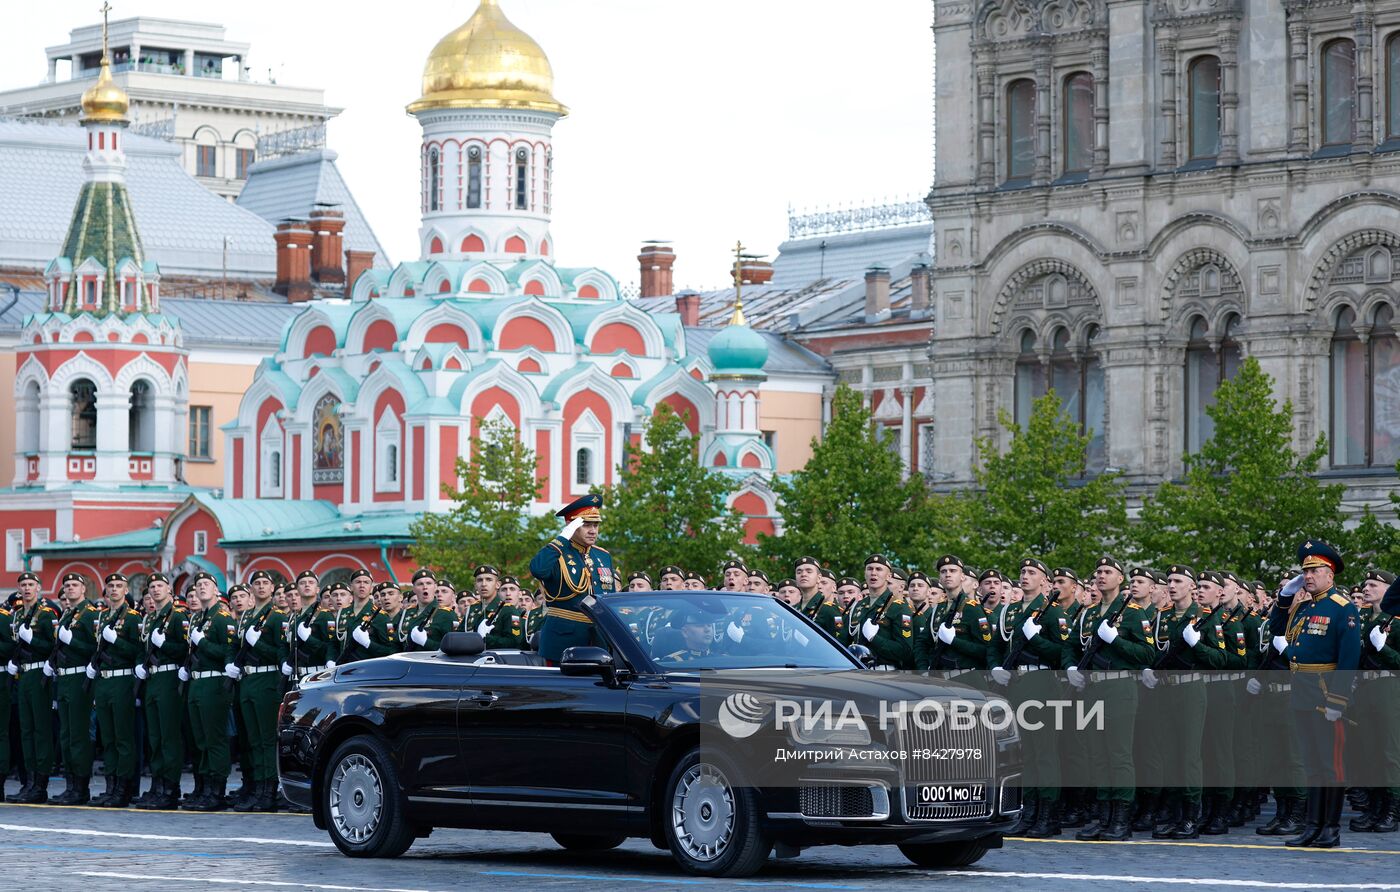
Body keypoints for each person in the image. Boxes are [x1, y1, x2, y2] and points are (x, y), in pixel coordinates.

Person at [1274, 539, 1361, 849]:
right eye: (1305, 571)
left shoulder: (1342, 607)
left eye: (1314, 570)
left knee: (1331, 764)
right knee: (1311, 764)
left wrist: (1338, 700)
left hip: (1326, 698)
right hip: (1302, 693)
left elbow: (1350, 658)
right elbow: (1277, 629)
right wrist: (1285, 597)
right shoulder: (1305, 606)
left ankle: (1330, 828)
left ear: (1330, 574)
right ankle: (1312, 826)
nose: (1308, 576)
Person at [1070, 558, 1156, 841]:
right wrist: (1072, 668)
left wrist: (1116, 640)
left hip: (1119, 687)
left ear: (1120, 579)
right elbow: (1071, 647)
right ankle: (1104, 816)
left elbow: (1146, 655)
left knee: (1118, 754)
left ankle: (1121, 818)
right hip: (1093, 688)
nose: (1101, 576)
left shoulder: (1132, 613)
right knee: (1097, 754)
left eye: (1108, 572)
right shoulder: (1090, 613)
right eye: (1098, 573)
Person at [991, 558, 1070, 838]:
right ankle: (1030, 810)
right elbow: (997, 645)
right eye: (1022, 571)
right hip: (1017, 683)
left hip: (1042, 682)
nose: (1025, 576)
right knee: (1026, 753)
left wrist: (1036, 640)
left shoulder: (1051, 612)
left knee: (1044, 751)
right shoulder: (1010, 611)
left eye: (1032, 573)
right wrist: (996, 667)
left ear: (1044, 581)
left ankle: (1048, 815)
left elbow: (1062, 652)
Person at [529, 494, 614, 663]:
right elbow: (538, 569)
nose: (593, 530)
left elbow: (608, 597)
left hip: (598, 640)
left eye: (596, 525)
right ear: (570, 526)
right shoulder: (556, 552)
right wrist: (562, 538)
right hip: (563, 640)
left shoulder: (602, 556)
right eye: (586, 525)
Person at [226, 569, 286, 812]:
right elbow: (234, 645)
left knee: (266, 739)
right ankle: (256, 788)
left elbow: (280, 652)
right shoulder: (247, 616)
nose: (261, 587)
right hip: (247, 681)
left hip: (267, 679)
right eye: (256, 583)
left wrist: (257, 643)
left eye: (265, 583)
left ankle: (268, 790)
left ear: (272, 588)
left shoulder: (277, 616)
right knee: (252, 740)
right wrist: (231, 663)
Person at [181, 572, 236, 811]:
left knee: (214, 739)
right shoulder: (198, 619)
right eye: (198, 585)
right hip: (196, 682)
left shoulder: (222, 618)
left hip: (214, 683)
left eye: (206, 584)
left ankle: (217, 791)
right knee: (200, 739)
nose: (202, 588)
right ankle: (203, 788)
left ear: (216, 590)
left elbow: (228, 653)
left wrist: (202, 642)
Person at [1351, 568, 1400, 832]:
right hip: (1366, 688)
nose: (1366, 589)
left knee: (1388, 751)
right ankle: (1374, 807)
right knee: (1367, 751)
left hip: (1389, 688)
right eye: (1365, 584)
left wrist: (1384, 648)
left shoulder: (1397, 620)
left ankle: (1391, 809)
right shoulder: (1364, 619)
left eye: (1372, 585)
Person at [90, 574, 143, 808]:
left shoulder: (132, 618)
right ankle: (110, 787)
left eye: (119, 586)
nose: (114, 589)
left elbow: (137, 651)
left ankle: (123, 789)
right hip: (103, 682)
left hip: (122, 681)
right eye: (110, 586)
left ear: (126, 590)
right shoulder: (102, 617)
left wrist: (117, 642)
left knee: (123, 738)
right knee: (108, 738)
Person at [6, 572, 57, 803]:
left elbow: (53, 646)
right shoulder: (16, 615)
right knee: (26, 730)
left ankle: (41, 784)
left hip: (39, 674)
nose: (27, 588)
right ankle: (29, 781)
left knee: (40, 730)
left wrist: (33, 641)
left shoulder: (45, 614)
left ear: (39, 587)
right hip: (23, 675)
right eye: (23, 585)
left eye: (31, 584)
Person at [50, 572, 100, 806]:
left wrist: (72, 641)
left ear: (84, 589)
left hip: (80, 677)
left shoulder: (90, 614)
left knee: (79, 734)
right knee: (67, 735)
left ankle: (80, 786)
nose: (69, 589)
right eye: (67, 585)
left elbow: (94, 648)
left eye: (74, 585)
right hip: (64, 679)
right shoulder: (67, 614)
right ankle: (70, 784)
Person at [846, 555, 914, 669]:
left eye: (879, 569)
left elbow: (905, 651)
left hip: (884, 672)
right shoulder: (859, 606)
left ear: (888, 576)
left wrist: (874, 639)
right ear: (865, 574)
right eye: (870, 569)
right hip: (857, 669)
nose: (873, 573)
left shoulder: (898, 607)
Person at [464, 566, 524, 648]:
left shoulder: (507, 610)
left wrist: (485, 638)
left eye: (489, 580)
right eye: (479, 580)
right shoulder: (471, 609)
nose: (483, 584)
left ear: (497, 585)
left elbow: (514, 642)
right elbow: (459, 635)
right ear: (475, 585)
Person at [793, 556, 842, 638]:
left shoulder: (830, 608)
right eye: (799, 572)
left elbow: (840, 638)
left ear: (818, 578)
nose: (803, 574)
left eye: (809, 571)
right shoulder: (793, 609)